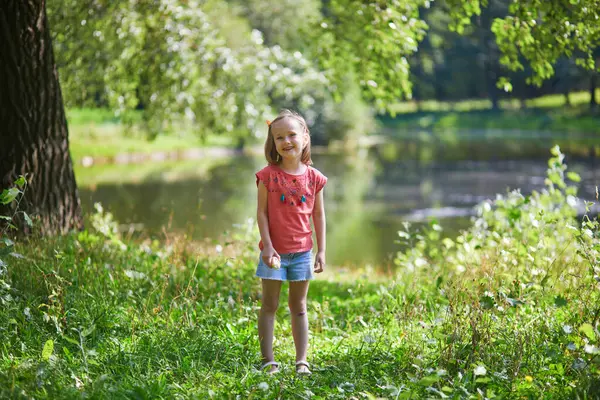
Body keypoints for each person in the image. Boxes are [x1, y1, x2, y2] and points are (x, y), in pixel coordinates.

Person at [255, 109, 327, 375]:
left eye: (291, 135)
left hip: (302, 253)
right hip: (273, 254)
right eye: (279, 137)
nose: (286, 141)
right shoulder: (267, 176)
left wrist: (321, 251)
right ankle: (268, 360)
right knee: (269, 305)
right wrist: (268, 246)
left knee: (299, 307)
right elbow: (261, 213)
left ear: (305, 137)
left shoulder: (314, 177)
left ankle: (302, 361)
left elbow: (318, 215)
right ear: (272, 143)